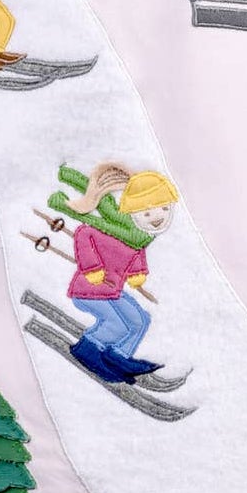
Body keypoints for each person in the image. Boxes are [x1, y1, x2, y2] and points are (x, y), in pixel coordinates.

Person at [63, 164, 180, 383]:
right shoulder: (112, 230)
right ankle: (87, 349)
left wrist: (137, 273)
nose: (157, 217)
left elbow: (136, 254)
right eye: (147, 213)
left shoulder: (138, 238)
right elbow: (84, 234)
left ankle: (119, 357)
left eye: (165, 209)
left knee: (140, 320)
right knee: (116, 324)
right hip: (89, 290)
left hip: (111, 292)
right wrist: (92, 268)